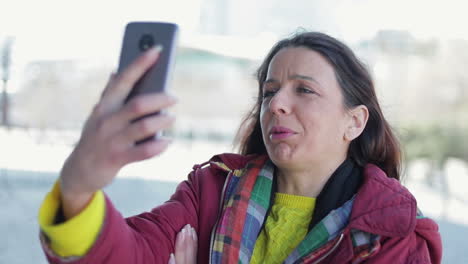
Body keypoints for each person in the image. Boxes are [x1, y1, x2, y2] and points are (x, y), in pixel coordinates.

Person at [38, 32, 442, 264]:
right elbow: (130, 254)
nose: (278, 104)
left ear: (354, 121)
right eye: (269, 92)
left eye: (304, 89)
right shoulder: (209, 191)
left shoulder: (393, 235)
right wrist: (77, 189)